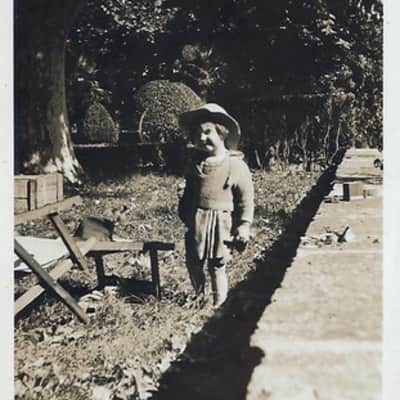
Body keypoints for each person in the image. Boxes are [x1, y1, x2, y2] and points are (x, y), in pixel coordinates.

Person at [178, 103, 254, 308]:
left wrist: (244, 225)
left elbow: (245, 199)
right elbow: (189, 195)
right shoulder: (195, 165)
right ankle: (199, 296)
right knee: (193, 262)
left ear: (222, 133)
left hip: (221, 222)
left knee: (217, 264)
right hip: (198, 222)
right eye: (197, 134)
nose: (202, 138)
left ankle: (220, 302)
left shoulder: (235, 165)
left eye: (207, 132)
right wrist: (183, 202)